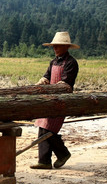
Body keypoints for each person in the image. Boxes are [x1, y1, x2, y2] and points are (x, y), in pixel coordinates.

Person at [31, 31, 79, 170]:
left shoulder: (71, 63)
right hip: (50, 99)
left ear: (66, 47)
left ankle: (63, 153)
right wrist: (39, 84)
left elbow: (65, 83)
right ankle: (44, 161)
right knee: (42, 126)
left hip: (61, 101)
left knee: (49, 129)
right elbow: (46, 77)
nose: (55, 48)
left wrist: (53, 90)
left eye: (58, 46)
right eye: (54, 46)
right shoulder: (53, 62)